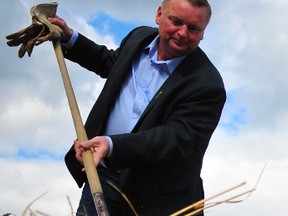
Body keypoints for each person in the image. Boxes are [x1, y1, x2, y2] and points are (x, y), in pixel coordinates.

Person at [49, 0, 226, 215]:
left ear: (203, 32)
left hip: (160, 198)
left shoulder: (207, 84)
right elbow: (111, 63)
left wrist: (113, 145)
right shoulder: (139, 37)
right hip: (104, 176)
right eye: (176, 21)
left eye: (193, 28)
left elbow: (174, 138)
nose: (182, 33)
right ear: (159, 14)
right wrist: (70, 38)